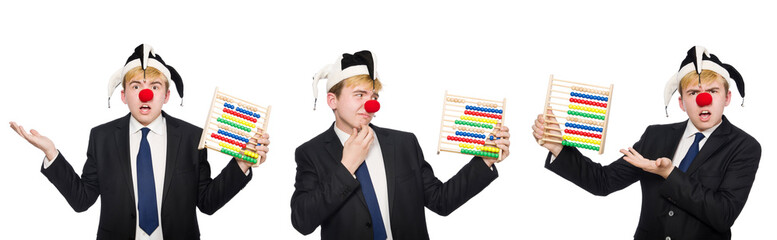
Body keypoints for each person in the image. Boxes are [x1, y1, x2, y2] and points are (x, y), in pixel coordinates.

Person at [9, 44, 270, 240]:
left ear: (167, 95)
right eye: (136, 86)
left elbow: (207, 203)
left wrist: (241, 164)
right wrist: (51, 153)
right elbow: (82, 200)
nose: (145, 93)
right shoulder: (101, 137)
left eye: (155, 86)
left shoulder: (192, 137)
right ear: (123, 96)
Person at [531, 46, 760, 240]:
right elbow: (602, 182)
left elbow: (723, 214)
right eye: (693, 93)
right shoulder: (656, 136)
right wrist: (558, 147)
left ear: (727, 97)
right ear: (681, 102)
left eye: (713, 91)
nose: (704, 100)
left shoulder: (744, 147)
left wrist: (669, 172)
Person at [290, 50, 511, 239]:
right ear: (332, 101)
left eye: (373, 95)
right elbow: (303, 221)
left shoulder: (404, 143)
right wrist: (347, 166)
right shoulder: (311, 153)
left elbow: (441, 201)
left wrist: (485, 160)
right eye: (359, 94)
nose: (371, 104)